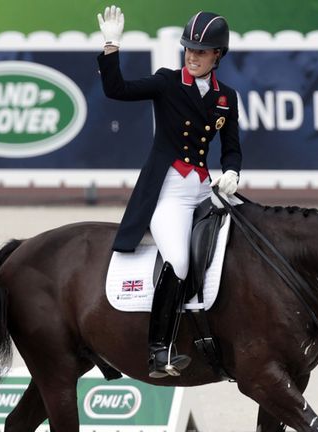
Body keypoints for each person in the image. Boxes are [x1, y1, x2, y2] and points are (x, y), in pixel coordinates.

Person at [97, 5, 242, 378]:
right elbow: (117, 90)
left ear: (218, 56)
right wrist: (112, 45)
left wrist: (232, 172)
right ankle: (157, 350)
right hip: (169, 191)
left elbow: (231, 146)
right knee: (178, 260)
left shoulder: (227, 97)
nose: (192, 56)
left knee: (246, 245)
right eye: (189, 49)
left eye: (201, 51)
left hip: (204, 188)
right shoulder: (167, 82)